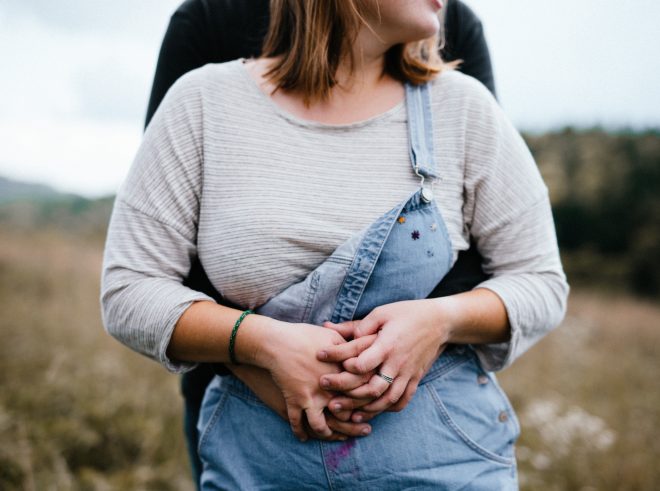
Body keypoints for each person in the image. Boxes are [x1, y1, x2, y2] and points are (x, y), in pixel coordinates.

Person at [102, 0, 568, 489]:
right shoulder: (201, 102)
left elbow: (540, 282)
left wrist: (439, 319)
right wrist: (260, 344)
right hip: (258, 464)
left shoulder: (462, 107)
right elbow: (130, 288)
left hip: (444, 463)